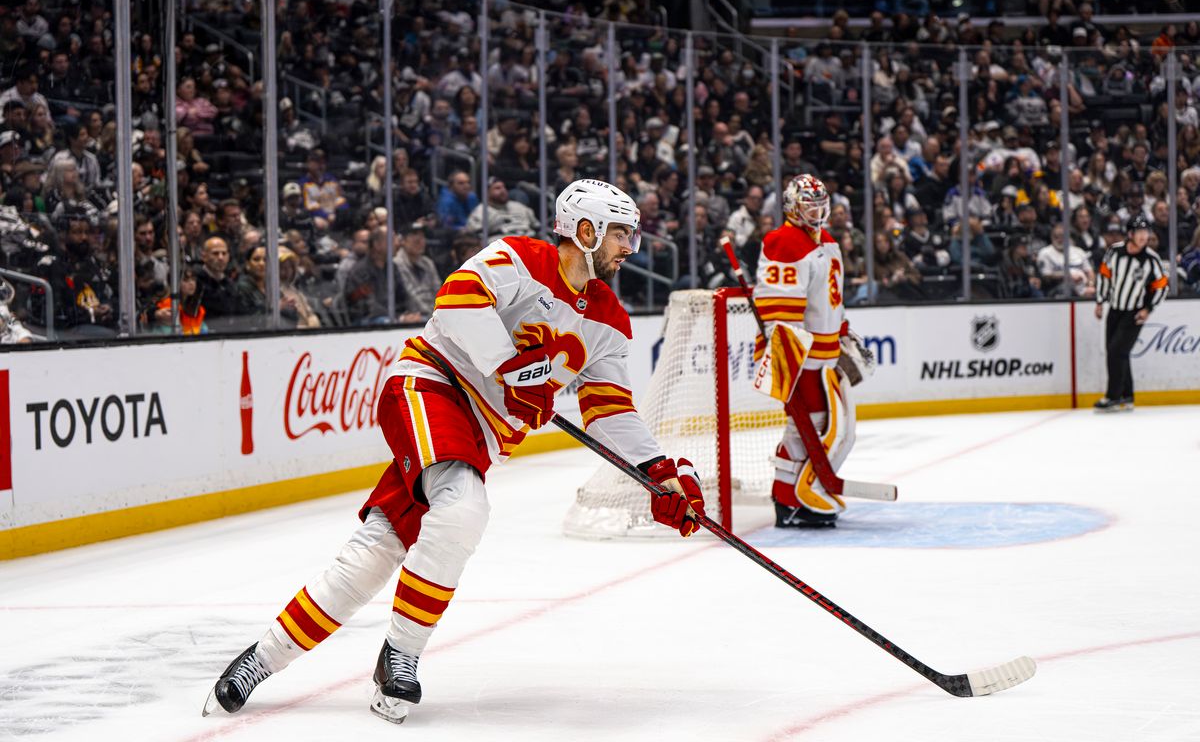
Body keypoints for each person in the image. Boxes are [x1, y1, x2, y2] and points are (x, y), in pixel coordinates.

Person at [203, 179, 707, 723]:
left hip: (479, 435)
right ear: (585, 232)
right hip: (431, 385)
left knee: (375, 552)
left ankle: (259, 659)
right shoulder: (518, 257)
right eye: (619, 234)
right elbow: (458, 299)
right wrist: (509, 365)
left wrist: (657, 471)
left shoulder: (609, 318)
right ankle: (400, 656)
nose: (629, 247)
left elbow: (609, 407)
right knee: (464, 507)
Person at [752, 175, 860, 529]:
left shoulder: (828, 241)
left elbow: (833, 301)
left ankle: (807, 490)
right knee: (806, 429)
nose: (815, 211)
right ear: (791, 206)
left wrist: (844, 337)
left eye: (819, 203)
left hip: (828, 357)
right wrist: (787, 365)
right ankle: (788, 500)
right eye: (808, 204)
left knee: (835, 430)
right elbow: (779, 315)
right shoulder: (782, 242)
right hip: (803, 357)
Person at [1092, 215, 1168, 412]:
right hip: (1115, 310)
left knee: (1117, 352)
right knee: (1116, 352)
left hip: (1134, 313)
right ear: (1130, 234)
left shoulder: (1151, 259)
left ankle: (1113, 397)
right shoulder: (1114, 251)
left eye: (1146, 232)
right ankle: (1127, 395)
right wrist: (1100, 301)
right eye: (1140, 232)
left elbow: (1161, 286)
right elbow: (1104, 276)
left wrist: (1148, 309)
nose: (1144, 237)